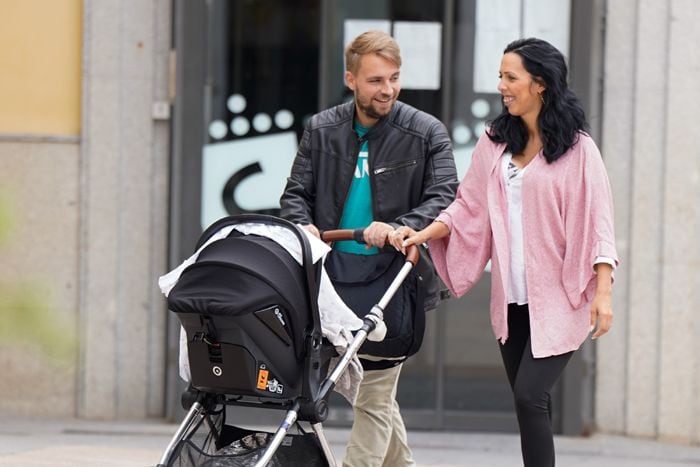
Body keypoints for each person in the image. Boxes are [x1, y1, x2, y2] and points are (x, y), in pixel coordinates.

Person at [390, 37, 618, 467]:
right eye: (500, 76)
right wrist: (422, 233)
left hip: (562, 296)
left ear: (541, 84)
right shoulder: (494, 142)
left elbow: (598, 222)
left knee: (531, 395)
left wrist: (603, 292)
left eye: (511, 77)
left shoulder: (579, 149)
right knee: (528, 403)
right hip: (511, 297)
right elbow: (468, 207)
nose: (502, 86)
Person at [279, 30, 457, 467]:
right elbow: (296, 193)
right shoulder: (321, 129)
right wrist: (304, 227)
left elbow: (445, 195)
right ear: (351, 79)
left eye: (394, 78)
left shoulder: (425, 131)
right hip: (332, 280)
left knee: (374, 390)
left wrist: (399, 227)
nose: (388, 90)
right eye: (376, 80)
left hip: (393, 278)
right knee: (373, 393)